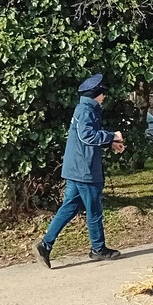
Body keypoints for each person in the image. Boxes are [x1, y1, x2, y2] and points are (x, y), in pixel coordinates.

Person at [33, 74, 125, 268]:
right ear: (95, 94)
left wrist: (110, 143)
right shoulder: (86, 110)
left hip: (76, 168)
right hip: (85, 170)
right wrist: (112, 135)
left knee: (69, 207)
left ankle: (45, 245)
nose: (104, 97)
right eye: (102, 94)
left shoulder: (85, 108)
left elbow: (87, 138)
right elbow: (87, 136)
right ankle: (98, 249)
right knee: (94, 210)